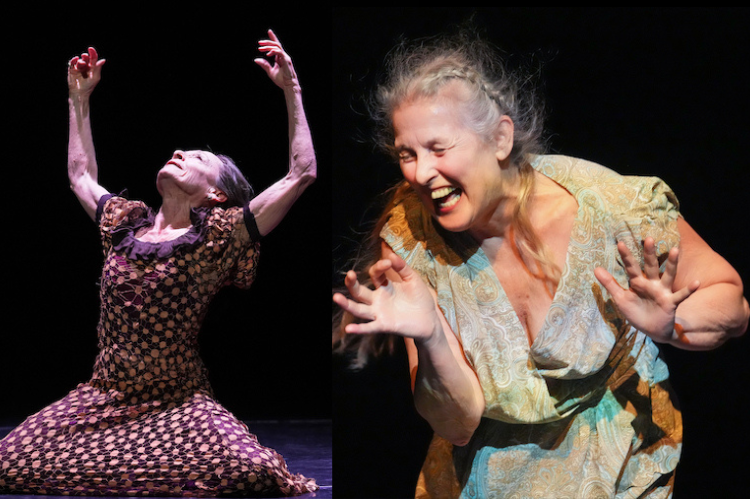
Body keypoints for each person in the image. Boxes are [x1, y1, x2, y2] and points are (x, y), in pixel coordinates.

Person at [332, 31, 749, 498]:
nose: (420, 173)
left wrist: (670, 327)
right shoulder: (411, 243)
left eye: (438, 148)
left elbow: (733, 306)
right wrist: (430, 338)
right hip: (486, 481)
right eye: (407, 154)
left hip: (620, 467)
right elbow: (457, 425)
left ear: (500, 138)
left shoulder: (610, 206)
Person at [0, 30, 317, 496]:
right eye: (180, 151)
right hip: (103, 398)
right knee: (6, 462)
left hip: (178, 403)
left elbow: (302, 172)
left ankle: (127, 464)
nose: (180, 152)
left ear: (216, 194)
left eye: (198, 156)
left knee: (254, 472)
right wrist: (78, 97)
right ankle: (129, 463)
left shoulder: (219, 236)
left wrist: (292, 91)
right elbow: (80, 175)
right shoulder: (122, 223)